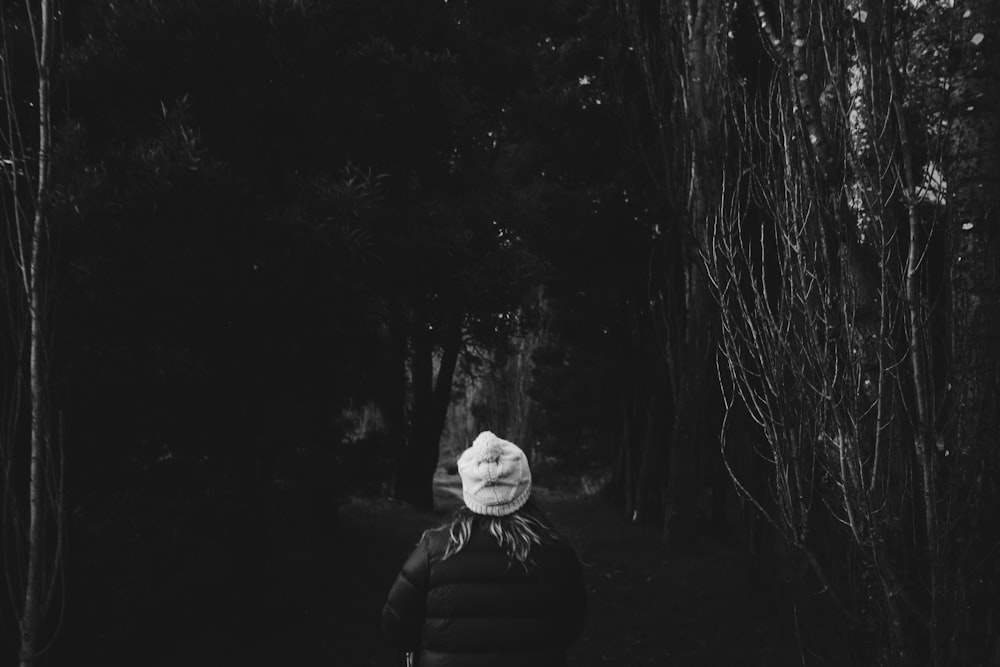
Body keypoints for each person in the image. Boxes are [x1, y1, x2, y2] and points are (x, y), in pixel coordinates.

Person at [382, 430, 587, 666]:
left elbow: (395, 625)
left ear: (470, 491)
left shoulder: (434, 551)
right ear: (524, 488)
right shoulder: (556, 552)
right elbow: (571, 628)